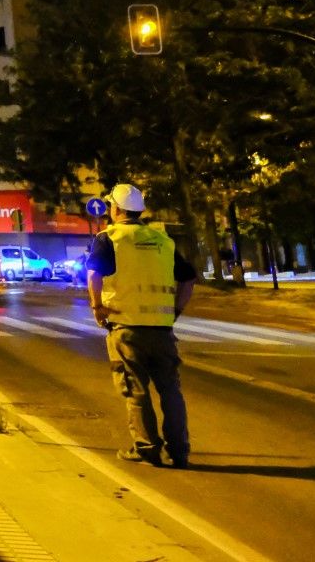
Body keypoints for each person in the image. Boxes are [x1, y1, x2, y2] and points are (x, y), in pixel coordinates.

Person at [87, 183, 196, 467]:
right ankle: (180, 450)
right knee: (170, 389)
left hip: (126, 327)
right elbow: (188, 278)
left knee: (136, 388)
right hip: (162, 328)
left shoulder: (108, 237)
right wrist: (176, 310)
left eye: (111, 205)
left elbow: (94, 275)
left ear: (117, 209)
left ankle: (147, 448)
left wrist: (97, 307)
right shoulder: (162, 240)